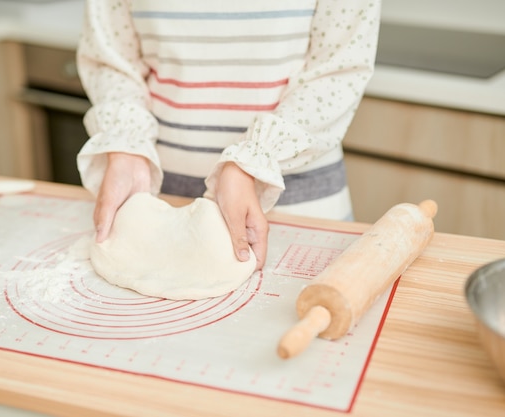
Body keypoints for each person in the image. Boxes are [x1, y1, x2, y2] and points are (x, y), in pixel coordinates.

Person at [76, 0, 381, 271]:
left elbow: (337, 71)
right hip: (161, 195)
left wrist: (253, 161)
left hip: (297, 199)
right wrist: (126, 147)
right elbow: (113, 60)